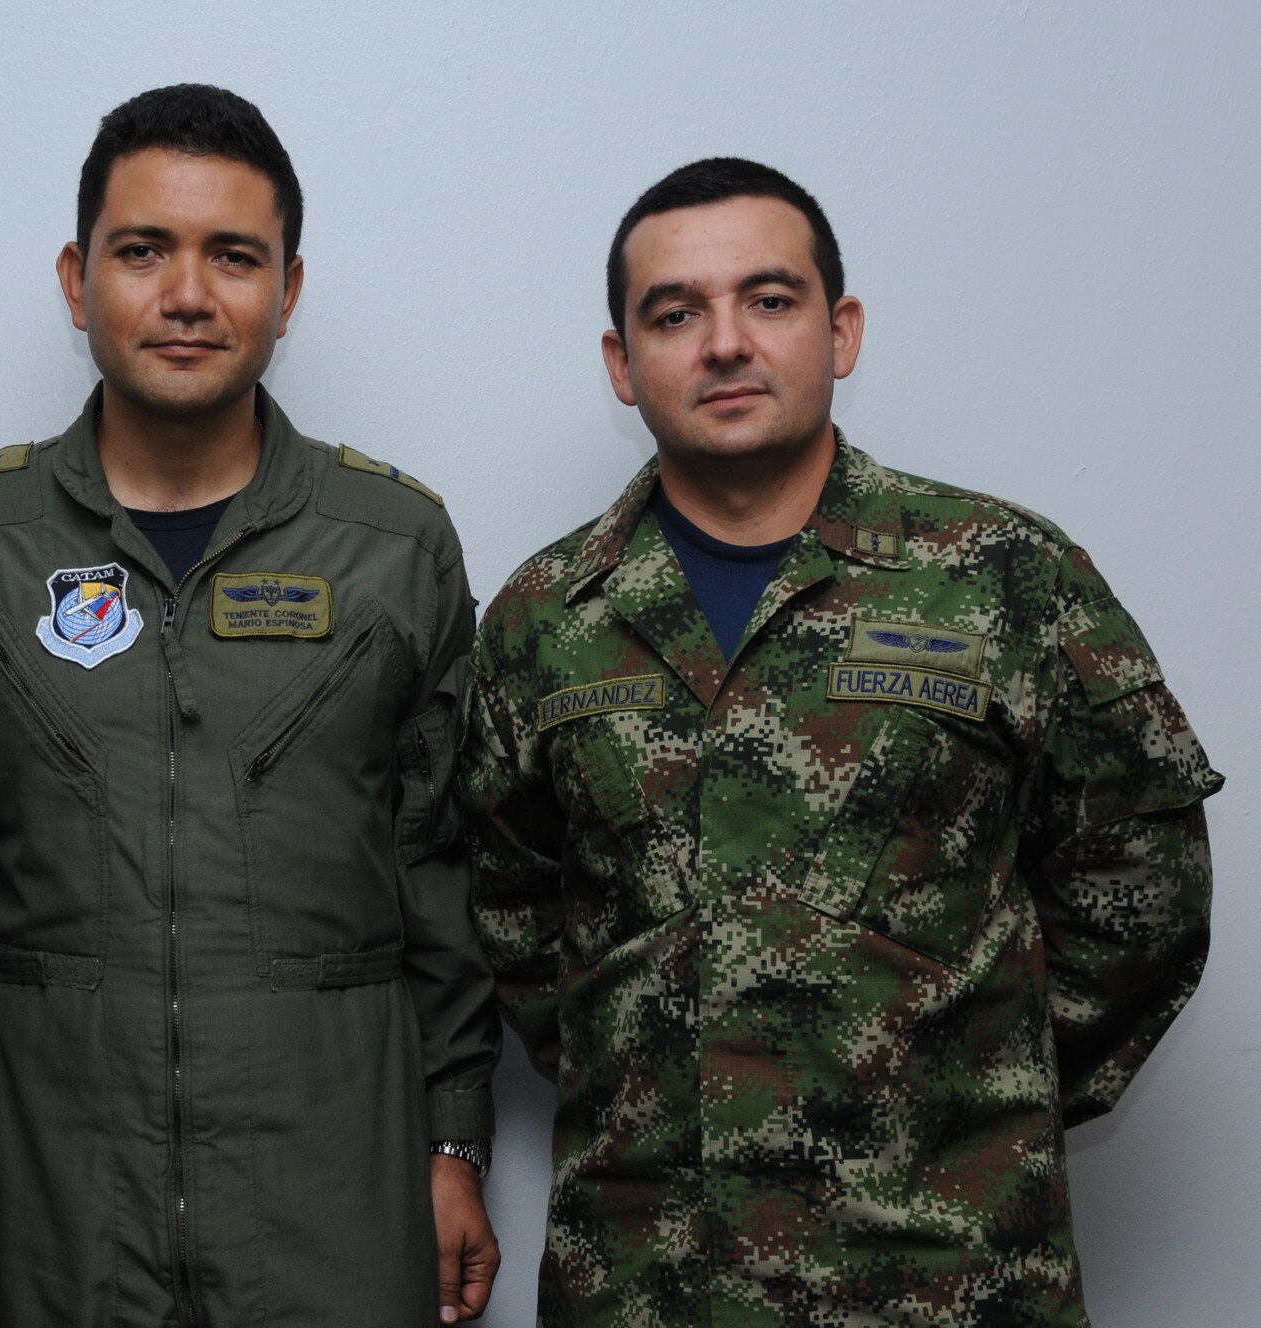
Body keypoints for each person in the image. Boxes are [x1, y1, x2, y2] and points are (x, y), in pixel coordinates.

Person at [459, 157, 1222, 1326]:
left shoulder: (1004, 577)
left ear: (840, 329)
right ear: (621, 361)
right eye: (674, 312)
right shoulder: (544, 618)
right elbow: (517, 913)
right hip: (649, 1278)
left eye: (768, 300)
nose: (723, 342)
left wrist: (964, 1082)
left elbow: (1140, 887)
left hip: (946, 1276)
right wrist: (680, 1068)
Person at [0, 85, 500, 1326]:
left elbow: (442, 866)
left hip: (329, 1210)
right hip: (59, 1215)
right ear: (76, 278)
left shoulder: (391, 545)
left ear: (288, 286)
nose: (185, 294)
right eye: (140, 250)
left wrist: (452, 1143)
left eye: (232, 255)